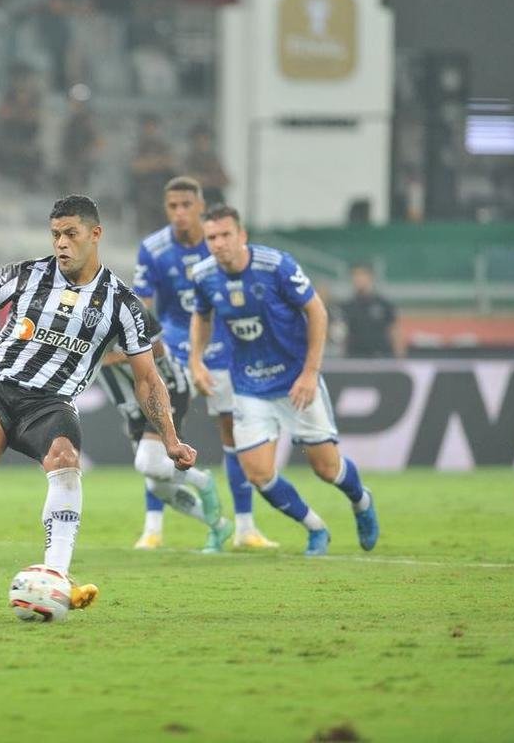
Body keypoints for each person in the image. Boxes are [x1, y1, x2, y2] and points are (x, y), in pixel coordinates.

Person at [0, 194, 197, 621]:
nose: (61, 244)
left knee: (66, 462)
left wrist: (171, 439)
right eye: (55, 235)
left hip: (51, 402)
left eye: (71, 234)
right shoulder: (24, 275)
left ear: (95, 234)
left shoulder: (122, 302)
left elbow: (148, 378)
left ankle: (55, 577)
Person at [188, 205, 379, 556]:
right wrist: (195, 361)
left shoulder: (276, 265)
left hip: (295, 381)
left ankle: (361, 500)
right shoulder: (203, 275)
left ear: (242, 235)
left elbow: (316, 310)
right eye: (212, 237)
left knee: (327, 469)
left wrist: (310, 373)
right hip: (249, 386)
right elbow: (201, 317)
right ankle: (315, 528)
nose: (219, 243)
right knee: (258, 474)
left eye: (226, 235)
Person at [132, 177, 276, 552]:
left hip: (224, 349)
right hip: (174, 350)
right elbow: (141, 307)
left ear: (200, 206)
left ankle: (245, 528)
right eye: (173, 206)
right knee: (162, 430)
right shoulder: (153, 249)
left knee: (232, 434)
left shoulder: (220, 243)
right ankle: (152, 528)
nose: (180, 213)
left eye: (186, 205)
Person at [96, 304, 232, 549]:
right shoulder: (77, 314)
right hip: (132, 402)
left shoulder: (128, 306)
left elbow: (157, 349)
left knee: (146, 463)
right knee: (158, 486)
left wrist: (107, 358)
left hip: (166, 387)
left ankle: (201, 480)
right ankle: (219, 526)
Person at [338, 263, 402, 358]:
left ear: (371, 277)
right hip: (355, 357)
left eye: (362, 275)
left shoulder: (384, 304)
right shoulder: (346, 306)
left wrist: (399, 356)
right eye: (355, 275)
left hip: (381, 356)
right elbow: (342, 335)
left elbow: (394, 331)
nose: (358, 279)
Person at [129, 114, 177, 230]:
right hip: (142, 190)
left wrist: (151, 163)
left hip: (162, 188)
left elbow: (171, 162)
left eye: (152, 126)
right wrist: (157, 163)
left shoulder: (163, 145)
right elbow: (136, 166)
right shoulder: (137, 145)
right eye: (147, 127)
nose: (150, 130)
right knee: (144, 226)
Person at [184, 123, 230, 207]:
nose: (203, 143)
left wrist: (210, 180)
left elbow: (225, 180)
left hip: (215, 199)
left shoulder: (213, 159)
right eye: (199, 140)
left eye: (206, 139)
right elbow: (190, 180)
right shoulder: (189, 160)